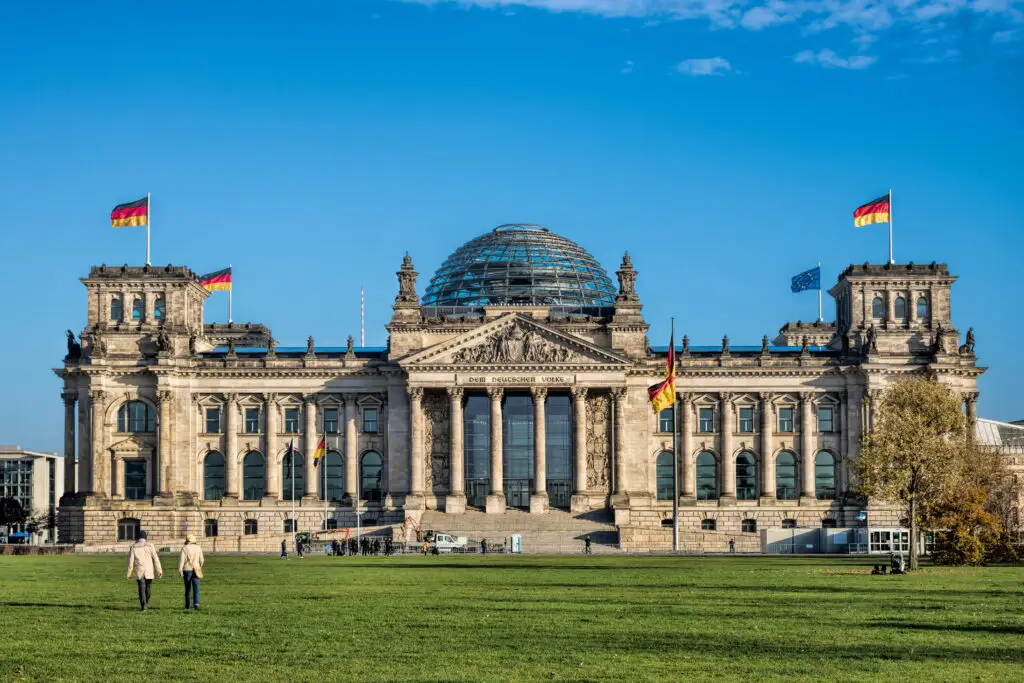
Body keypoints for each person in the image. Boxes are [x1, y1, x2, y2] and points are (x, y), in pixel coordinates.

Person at [126, 530, 163, 611]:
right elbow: (156, 559)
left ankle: (144, 605)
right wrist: (159, 570)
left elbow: (130, 561)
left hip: (139, 570)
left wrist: (129, 573)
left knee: (141, 588)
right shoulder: (150, 545)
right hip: (149, 570)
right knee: (148, 588)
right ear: (145, 537)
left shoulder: (133, 547)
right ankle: (146, 603)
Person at [178, 534, 205, 611]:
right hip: (196, 569)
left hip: (187, 569)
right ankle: (196, 604)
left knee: (187, 588)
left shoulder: (184, 548)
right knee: (196, 588)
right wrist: (200, 566)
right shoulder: (198, 548)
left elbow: (182, 561)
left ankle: (187, 605)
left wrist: (180, 570)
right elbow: (202, 560)